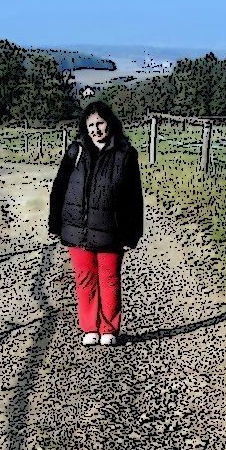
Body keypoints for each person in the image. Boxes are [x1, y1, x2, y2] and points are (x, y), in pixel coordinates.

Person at [48, 101, 144, 346]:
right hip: (77, 229)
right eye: (91, 125)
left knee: (110, 280)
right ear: (85, 127)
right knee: (84, 279)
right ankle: (90, 327)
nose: (96, 129)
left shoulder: (126, 154)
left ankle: (109, 328)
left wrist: (132, 232)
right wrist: (55, 222)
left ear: (109, 123)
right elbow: (59, 188)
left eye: (100, 123)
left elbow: (134, 196)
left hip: (111, 230)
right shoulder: (75, 151)